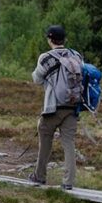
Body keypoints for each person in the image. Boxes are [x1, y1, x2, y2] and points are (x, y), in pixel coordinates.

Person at [28, 25, 83, 191]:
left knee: (45, 141)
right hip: (73, 106)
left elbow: (37, 78)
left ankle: (39, 176)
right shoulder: (76, 55)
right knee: (69, 143)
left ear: (50, 39)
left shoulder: (46, 57)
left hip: (53, 107)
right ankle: (68, 182)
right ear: (64, 39)